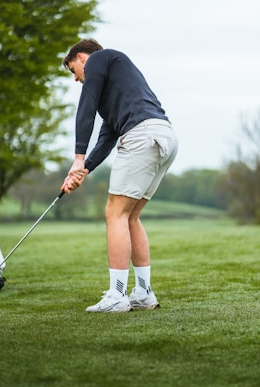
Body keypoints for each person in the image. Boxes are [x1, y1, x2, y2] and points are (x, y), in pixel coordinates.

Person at [61, 39, 178, 313]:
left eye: (74, 71)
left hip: (142, 136)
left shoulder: (101, 59)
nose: (77, 80)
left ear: (81, 57)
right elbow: (106, 137)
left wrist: (77, 157)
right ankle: (143, 293)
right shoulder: (115, 89)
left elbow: (85, 107)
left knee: (115, 213)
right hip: (164, 136)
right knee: (130, 215)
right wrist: (84, 169)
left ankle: (116, 296)